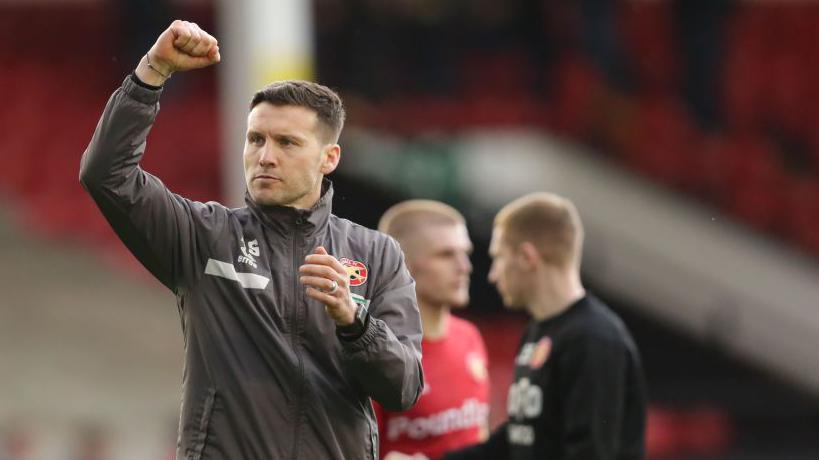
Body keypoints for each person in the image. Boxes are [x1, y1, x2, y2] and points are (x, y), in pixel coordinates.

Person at [79, 20, 423, 459]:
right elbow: (106, 175)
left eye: (287, 142)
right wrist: (152, 73)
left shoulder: (377, 255)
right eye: (255, 139)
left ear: (329, 158)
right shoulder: (204, 236)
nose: (265, 156)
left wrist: (353, 322)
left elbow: (404, 388)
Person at [444, 192, 646, 460]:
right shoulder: (539, 332)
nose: (492, 275)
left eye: (499, 258)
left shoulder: (593, 340)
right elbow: (520, 437)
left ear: (527, 257)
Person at [374, 200, 490, 460]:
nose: (464, 267)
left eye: (465, 253)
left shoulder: (469, 336)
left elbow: (478, 435)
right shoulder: (377, 353)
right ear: (404, 265)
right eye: (446, 255)